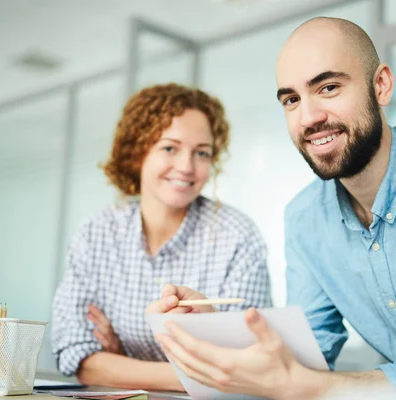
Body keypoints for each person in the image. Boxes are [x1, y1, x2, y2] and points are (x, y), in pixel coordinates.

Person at [147, 17, 396, 398]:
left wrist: (314, 387)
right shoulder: (303, 218)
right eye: (292, 100)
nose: (309, 117)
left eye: (328, 87)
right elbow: (305, 358)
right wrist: (219, 334)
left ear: (380, 85)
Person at [51, 83, 272, 391]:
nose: (186, 167)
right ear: (138, 151)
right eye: (170, 148)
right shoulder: (96, 233)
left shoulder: (237, 237)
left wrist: (119, 360)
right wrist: (199, 373)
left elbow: (249, 366)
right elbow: (76, 356)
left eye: (202, 153)